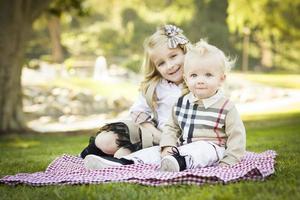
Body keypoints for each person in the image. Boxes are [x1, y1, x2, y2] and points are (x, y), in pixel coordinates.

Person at [83, 40, 246, 172]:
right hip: (180, 147)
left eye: (208, 75)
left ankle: (178, 163)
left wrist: (229, 161)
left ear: (221, 79)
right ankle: (121, 163)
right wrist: (167, 146)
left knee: (201, 149)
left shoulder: (225, 106)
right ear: (187, 79)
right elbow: (171, 128)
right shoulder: (182, 103)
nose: (200, 80)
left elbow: (236, 137)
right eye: (194, 75)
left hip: (213, 148)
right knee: (153, 153)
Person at [81, 24, 190, 167]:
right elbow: (139, 112)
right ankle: (94, 152)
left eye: (173, 56)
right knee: (104, 141)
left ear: (185, 52)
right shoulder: (156, 86)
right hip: (152, 132)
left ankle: (112, 162)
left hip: (173, 141)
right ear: (155, 68)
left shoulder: (199, 83)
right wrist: (156, 133)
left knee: (123, 154)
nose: (170, 65)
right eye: (161, 63)